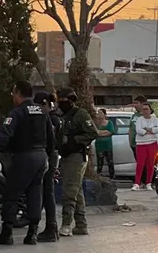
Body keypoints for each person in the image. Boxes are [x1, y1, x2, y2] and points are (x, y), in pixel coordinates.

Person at [0, 81, 55, 246]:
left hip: (24, 157)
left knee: (11, 194)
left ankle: (7, 233)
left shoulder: (17, 112)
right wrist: (48, 156)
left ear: (18, 93)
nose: (12, 97)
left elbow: (4, 135)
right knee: (35, 193)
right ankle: (32, 234)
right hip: (41, 157)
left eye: (13, 93)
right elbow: (51, 137)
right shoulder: (42, 111)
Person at [57, 88, 98, 237]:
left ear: (71, 100)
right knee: (76, 191)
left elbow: (93, 133)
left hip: (76, 156)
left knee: (69, 191)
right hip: (66, 155)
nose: (60, 103)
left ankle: (66, 224)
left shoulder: (80, 114)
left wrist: (75, 140)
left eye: (63, 100)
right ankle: (81, 224)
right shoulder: (61, 115)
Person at [34, 91, 61, 243]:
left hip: (49, 156)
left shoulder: (51, 119)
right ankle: (51, 227)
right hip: (50, 156)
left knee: (47, 192)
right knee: (46, 192)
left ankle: (51, 228)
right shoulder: (52, 117)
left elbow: (51, 142)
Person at [133, 103, 158, 191]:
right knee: (140, 164)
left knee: (150, 164)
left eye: (147, 109)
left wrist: (147, 129)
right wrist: (149, 131)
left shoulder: (155, 119)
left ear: (150, 110)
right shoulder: (139, 120)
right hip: (141, 144)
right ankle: (137, 183)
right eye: (143, 109)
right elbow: (139, 130)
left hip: (152, 143)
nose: (145, 111)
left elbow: (157, 129)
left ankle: (149, 183)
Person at [128, 95, 149, 186]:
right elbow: (130, 128)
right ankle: (141, 181)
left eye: (137, 103)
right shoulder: (134, 116)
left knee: (144, 163)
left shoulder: (146, 116)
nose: (135, 105)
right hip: (134, 144)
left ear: (143, 104)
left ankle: (146, 181)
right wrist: (130, 140)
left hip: (142, 143)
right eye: (134, 103)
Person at [95, 109, 116, 179]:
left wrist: (100, 133)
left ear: (104, 114)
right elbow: (95, 132)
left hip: (108, 145)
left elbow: (111, 132)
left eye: (101, 113)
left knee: (110, 161)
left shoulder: (109, 123)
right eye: (98, 113)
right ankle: (98, 176)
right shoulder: (96, 124)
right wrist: (105, 132)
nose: (99, 114)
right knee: (99, 162)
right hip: (99, 145)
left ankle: (112, 176)